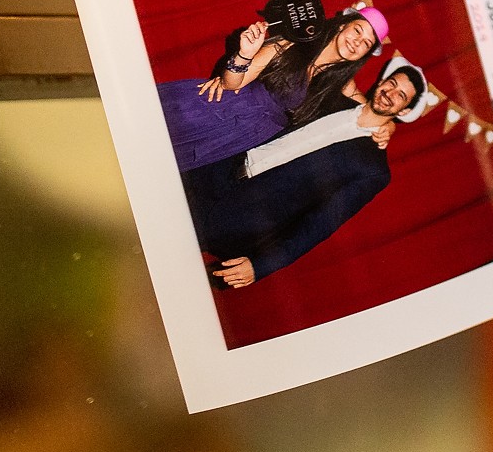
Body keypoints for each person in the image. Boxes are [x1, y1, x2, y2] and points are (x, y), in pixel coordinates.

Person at [181, 57, 430, 289]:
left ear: (404, 111)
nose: (391, 94)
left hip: (238, 217)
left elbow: (319, 225)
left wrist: (261, 266)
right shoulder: (333, 96)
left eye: (401, 96)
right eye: (392, 83)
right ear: (382, 81)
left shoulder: (373, 170)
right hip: (212, 169)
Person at [155, 0, 391, 171]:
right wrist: (245, 55)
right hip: (218, 110)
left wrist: (388, 126)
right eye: (358, 31)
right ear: (342, 25)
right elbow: (232, 84)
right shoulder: (294, 44)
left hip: (240, 137)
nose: (358, 42)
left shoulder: (340, 83)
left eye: (367, 43)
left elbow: (372, 111)